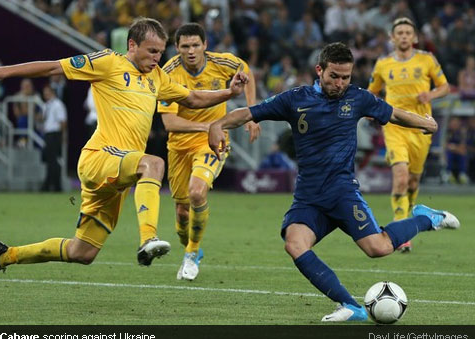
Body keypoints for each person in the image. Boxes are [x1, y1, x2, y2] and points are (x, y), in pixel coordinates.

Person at [0, 17, 249, 282]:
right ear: (132, 45)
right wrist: (0, 72)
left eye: (160, 52)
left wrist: (230, 93)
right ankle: (148, 239)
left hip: (117, 177)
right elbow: (54, 66)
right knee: (154, 164)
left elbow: (194, 98)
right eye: (151, 51)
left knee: (82, 252)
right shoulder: (107, 62)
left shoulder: (158, 77)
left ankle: (4, 256)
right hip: (100, 157)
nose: (157, 58)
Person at [208, 42, 460, 322]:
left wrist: (425, 123)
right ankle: (349, 306)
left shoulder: (358, 98)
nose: (340, 83)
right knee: (295, 244)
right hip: (308, 196)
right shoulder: (295, 99)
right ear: (319, 70)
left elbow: (394, 113)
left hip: (342, 193)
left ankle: (425, 218)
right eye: (334, 76)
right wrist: (217, 125)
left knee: (378, 249)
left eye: (346, 77)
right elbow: (248, 113)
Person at [157, 23, 260, 281]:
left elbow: (246, 70)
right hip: (179, 146)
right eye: (185, 46)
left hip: (212, 142)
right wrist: (207, 125)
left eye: (195, 45)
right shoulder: (167, 74)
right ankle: (191, 246)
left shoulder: (222, 62)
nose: (191, 51)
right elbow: (169, 124)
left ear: (204, 45)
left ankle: (191, 254)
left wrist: (252, 112)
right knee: (182, 214)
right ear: (176, 48)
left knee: (197, 191)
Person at [367, 17, 450, 253]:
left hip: (421, 127)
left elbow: (444, 86)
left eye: (407, 33)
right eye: (399, 33)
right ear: (392, 38)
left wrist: (430, 95)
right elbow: (371, 92)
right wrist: (370, 111)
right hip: (394, 126)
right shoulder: (383, 64)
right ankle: (401, 234)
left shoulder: (427, 59)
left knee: (413, 181)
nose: (403, 36)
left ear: (414, 38)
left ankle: (409, 219)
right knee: (401, 177)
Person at [40, 84, 67, 192]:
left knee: (54, 161)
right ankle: (50, 185)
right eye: (44, 93)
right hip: (47, 134)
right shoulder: (46, 105)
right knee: (50, 161)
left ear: (52, 92)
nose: (45, 94)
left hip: (55, 134)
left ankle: (55, 185)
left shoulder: (58, 104)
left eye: (47, 92)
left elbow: (62, 121)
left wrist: (62, 136)